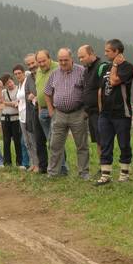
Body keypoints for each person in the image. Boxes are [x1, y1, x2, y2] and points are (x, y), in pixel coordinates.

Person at [43, 48, 90, 179]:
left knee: (82, 145)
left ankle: (84, 173)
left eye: (66, 60)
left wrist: (86, 111)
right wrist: (51, 110)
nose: (63, 63)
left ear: (71, 59)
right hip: (59, 114)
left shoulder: (82, 71)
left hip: (78, 113)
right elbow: (47, 93)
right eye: (60, 60)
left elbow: (88, 91)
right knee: (55, 145)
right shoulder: (54, 73)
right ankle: (53, 173)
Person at [96, 39, 133, 185]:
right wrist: (101, 111)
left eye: (108, 51)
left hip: (121, 113)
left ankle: (124, 173)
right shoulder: (105, 68)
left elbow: (113, 81)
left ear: (117, 51)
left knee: (124, 144)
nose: (105, 53)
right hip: (105, 114)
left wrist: (115, 65)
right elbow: (101, 90)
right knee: (105, 143)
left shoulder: (127, 67)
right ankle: (106, 175)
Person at [35, 49, 67, 174]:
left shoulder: (58, 68)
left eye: (43, 61)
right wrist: (39, 110)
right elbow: (39, 91)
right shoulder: (38, 71)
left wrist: (52, 110)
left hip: (55, 109)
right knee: (51, 142)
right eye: (39, 62)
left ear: (49, 59)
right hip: (42, 111)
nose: (42, 64)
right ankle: (59, 168)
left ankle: (62, 169)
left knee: (56, 142)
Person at [78, 45, 102, 164]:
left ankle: (105, 168)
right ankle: (101, 166)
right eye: (79, 58)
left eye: (83, 57)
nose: (81, 60)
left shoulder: (100, 67)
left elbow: (101, 90)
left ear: (91, 54)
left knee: (102, 140)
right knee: (98, 141)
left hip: (99, 111)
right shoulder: (87, 69)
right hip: (90, 111)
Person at [24, 53, 48, 172]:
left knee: (52, 139)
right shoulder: (28, 78)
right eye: (28, 64)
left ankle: (59, 167)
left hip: (47, 109)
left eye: (33, 63)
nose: (31, 66)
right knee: (39, 140)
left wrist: (38, 96)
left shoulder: (44, 73)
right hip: (35, 110)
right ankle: (43, 167)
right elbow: (27, 93)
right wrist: (30, 96)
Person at [14, 64, 38, 171]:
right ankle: (32, 163)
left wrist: (31, 97)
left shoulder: (27, 82)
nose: (18, 75)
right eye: (15, 74)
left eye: (19, 73)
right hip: (21, 116)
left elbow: (33, 92)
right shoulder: (19, 85)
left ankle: (37, 164)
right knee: (26, 141)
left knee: (33, 140)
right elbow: (20, 98)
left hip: (29, 115)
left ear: (24, 73)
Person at [0, 73, 23, 166]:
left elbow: (17, 103)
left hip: (16, 118)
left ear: (13, 80)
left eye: (10, 82)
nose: (9, 84)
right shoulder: (3, 91)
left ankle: (20, 162)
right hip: (5, 118)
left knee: (17, 140)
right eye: (7, 83)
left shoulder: (19, 90)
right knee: (6, 141)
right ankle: (7, 162)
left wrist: (6, 103)